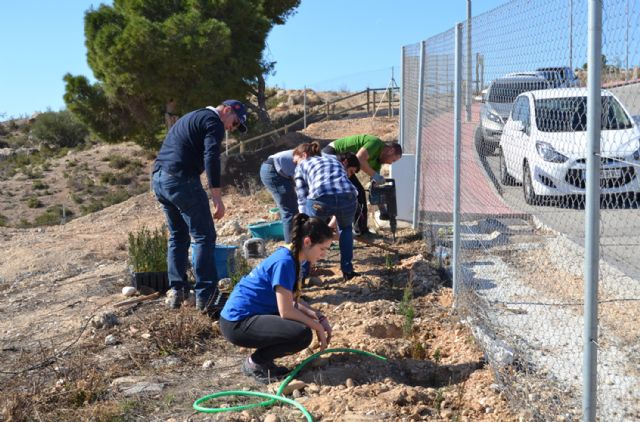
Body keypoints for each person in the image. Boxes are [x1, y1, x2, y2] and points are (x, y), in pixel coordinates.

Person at [152, 99, 248, 312]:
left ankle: (178, 291)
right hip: (180, 179)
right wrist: (216, 196)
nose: (231, 128)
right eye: (234, 122)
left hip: (159, 179)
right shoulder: (213, 121)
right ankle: (208, 297)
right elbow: (211, 155)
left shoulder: (192, 116)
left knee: (178, 235)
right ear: (227, 110)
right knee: (205, 236)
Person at [219, 214, 334, 383]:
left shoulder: (294, 256)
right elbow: (286, 310)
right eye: (322, 249)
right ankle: (255, 363)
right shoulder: (285, 262)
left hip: (250, 315)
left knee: (301, 323)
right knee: (301, 334)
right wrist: (314, 324)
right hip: (237, 323)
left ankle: (264, 361)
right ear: (308, 242)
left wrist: (318, 316)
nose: (323, 255)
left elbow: (292, 300)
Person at [294, 153, 361, 281]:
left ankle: (302, 274)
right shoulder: (334, 159)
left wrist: (306, 219)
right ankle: (348, 271)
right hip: (348, 196)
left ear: (303, 156)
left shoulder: (301, 166)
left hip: (320, 199)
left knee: (310, 233)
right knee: (346, 229)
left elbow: (302, 194)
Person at [322, 135, 402, 236]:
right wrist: (375, 175)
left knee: (357, 192)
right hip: (332, 154)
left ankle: (356, 229)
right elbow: (359, 158)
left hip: (343, 162)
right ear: (390, 151)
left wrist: (382, 208)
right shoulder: (375, 143)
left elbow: (375, 185)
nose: (391, 163)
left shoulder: (377, 162)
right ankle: (358, 230)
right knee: (354, 192)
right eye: (393, 160)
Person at [259, 142, 321, 243]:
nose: (293, 161)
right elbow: (303, 192)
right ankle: (292, 247)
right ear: (304, 156)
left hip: (280, 171)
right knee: (290, 211)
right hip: (272, 171)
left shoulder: (312, 158)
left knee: (294, 208)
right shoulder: (305, 157)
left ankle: (302, 241)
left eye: (295, 160)